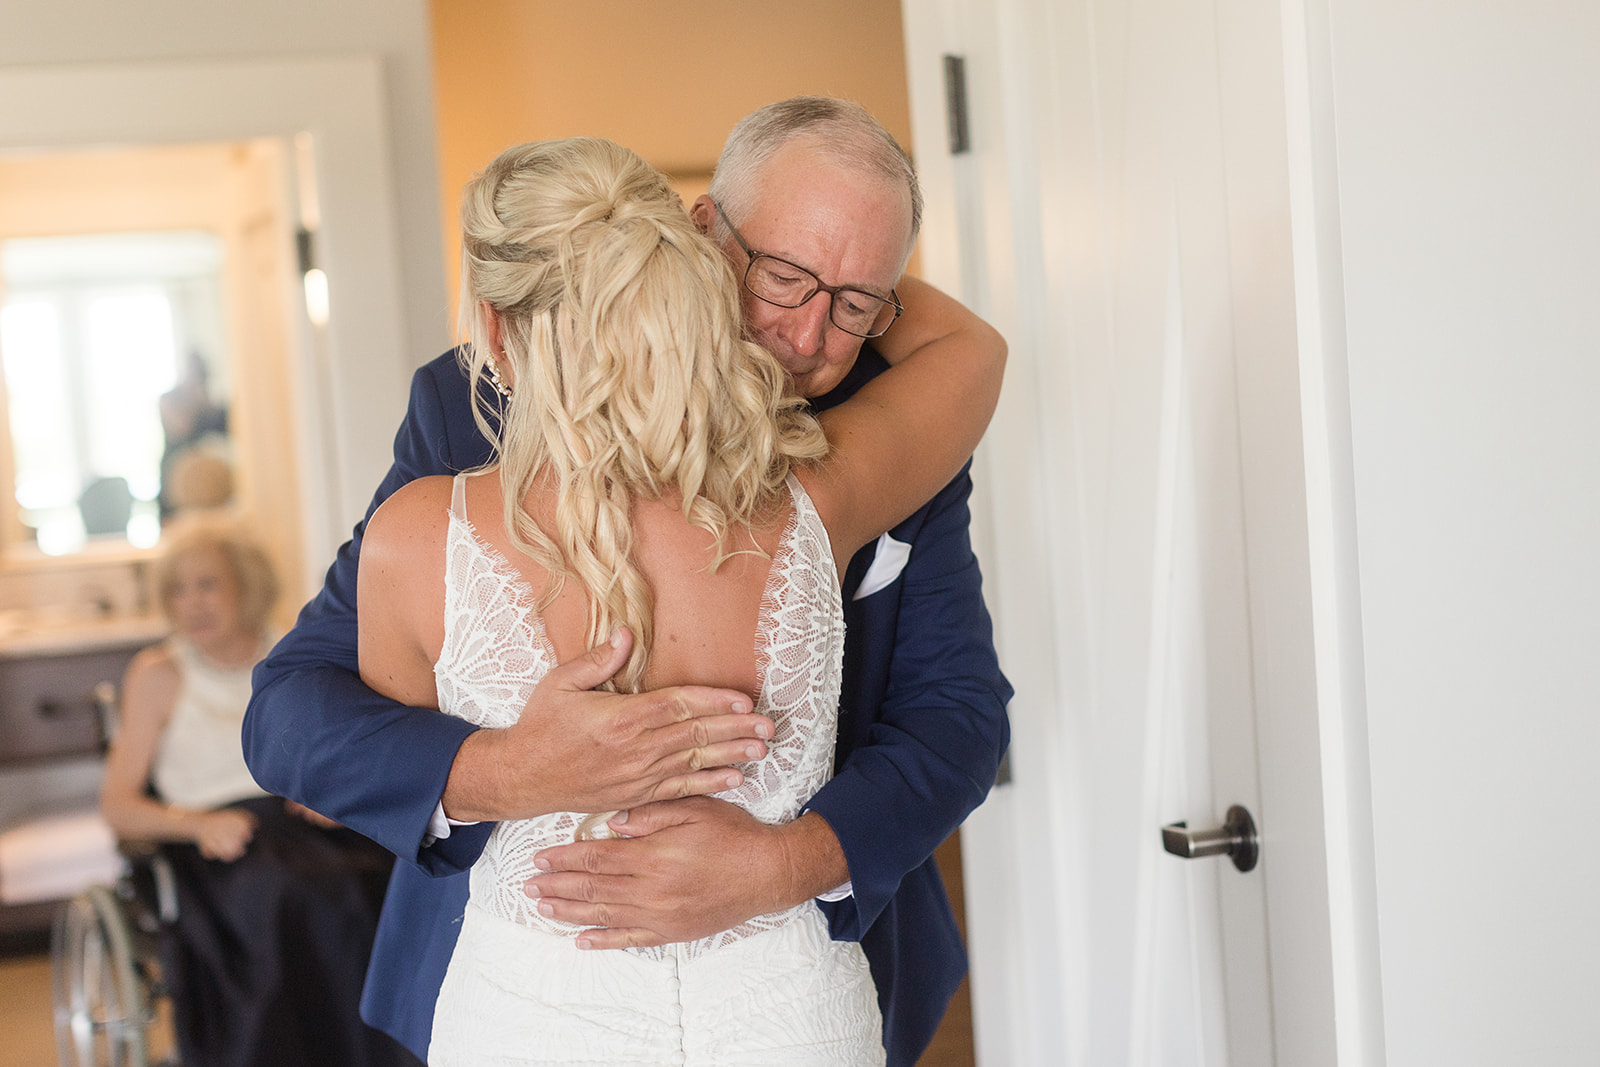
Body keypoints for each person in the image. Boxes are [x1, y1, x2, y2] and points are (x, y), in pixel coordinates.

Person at [243, 96, 1012, 1066]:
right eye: (782, 275)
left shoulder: (879, 424)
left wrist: (794, 858)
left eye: (857, 302)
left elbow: (962, 711)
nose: (810, 334)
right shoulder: (472, 395)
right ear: (699, 237)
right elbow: (293, 712)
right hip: (524, 991)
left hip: (809, 964)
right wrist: (504, 768)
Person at [99, 519, 408, 1067]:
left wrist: (330, 792)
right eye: (177, 589)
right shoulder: (158, 673)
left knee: (386, 874)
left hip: (301, 823)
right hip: (212, 841)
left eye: (207, 585)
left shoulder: (293, 652)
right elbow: (119, 806)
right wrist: (195, 824)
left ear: (246, 586)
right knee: (290, 894)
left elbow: (338, 743)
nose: (191, 603)